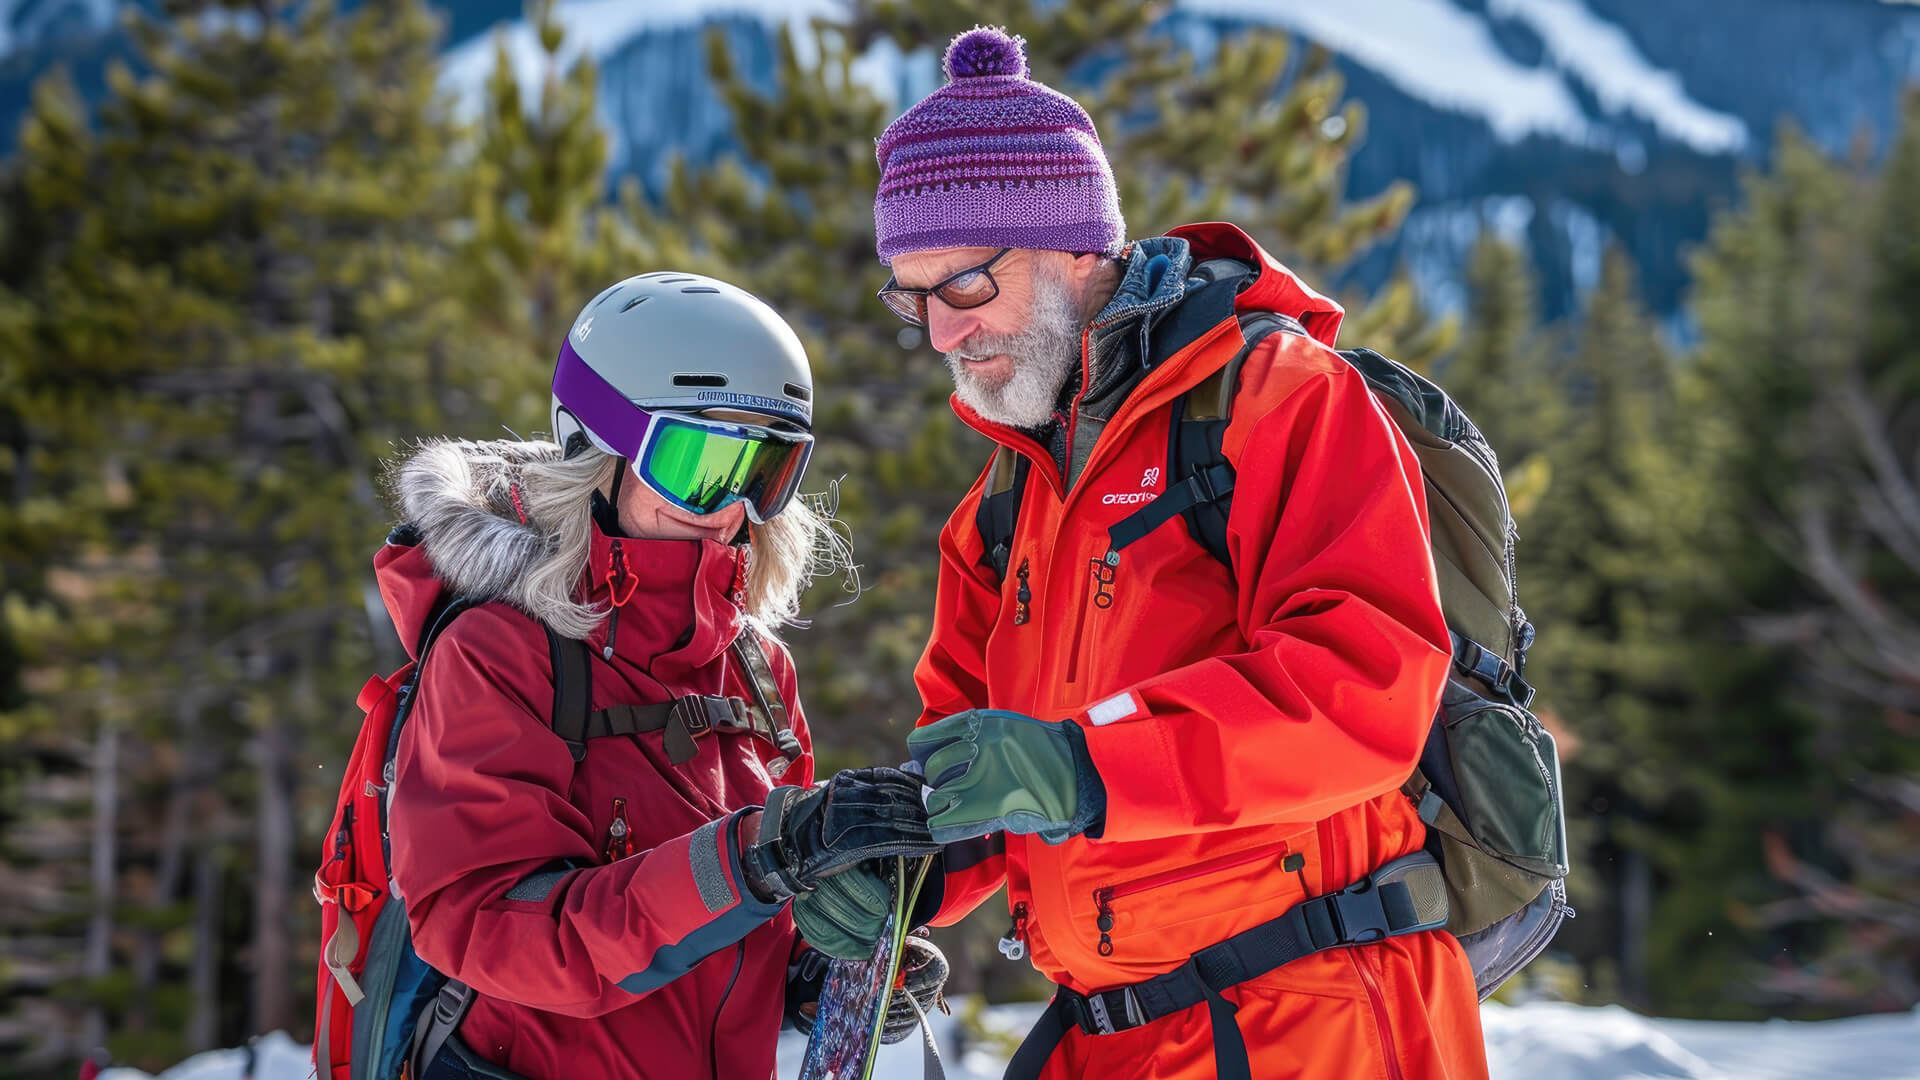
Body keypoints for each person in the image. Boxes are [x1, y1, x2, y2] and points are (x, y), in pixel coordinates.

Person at [874, 26, 1489, 1080]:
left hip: (1312, 1016)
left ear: (1073, 249)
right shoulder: (1011, 495)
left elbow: (1366, 686)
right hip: (1113, 1034)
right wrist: (903, 873)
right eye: (911, 295)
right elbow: (973, 759)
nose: (940, 333)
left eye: (965, 287)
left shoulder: (1275, 399)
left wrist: (1082, 765)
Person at [377, 273, 945, 1079]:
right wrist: (758, 854)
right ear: (598, 448)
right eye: (701, 460)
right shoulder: (498, 652)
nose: (731, 505)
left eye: (768, 468)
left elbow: (721, 940)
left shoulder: (758, 669)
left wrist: (817, 969)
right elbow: (489, 926)